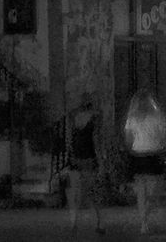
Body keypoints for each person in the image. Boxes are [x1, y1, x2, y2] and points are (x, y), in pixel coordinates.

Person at [123, 88, 166, 235]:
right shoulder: (158, 118)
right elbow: (165, 137)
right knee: (152, 192)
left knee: (141, 192)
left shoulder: (132, 119)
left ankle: (143, 221)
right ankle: (144, 220)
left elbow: (128, 139)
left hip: (138, 155)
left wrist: (131, 148)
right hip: (153, 155)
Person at [65, 96, 105, 235]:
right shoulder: (94, 121)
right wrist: (101, 163)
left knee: (75, 194)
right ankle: (97, 224)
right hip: (89, 159)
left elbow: (69, 142)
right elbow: (96, 143)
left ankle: (74, 223)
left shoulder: (73, 119)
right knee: (91, 194)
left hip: (75, 160)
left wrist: (70, 157)